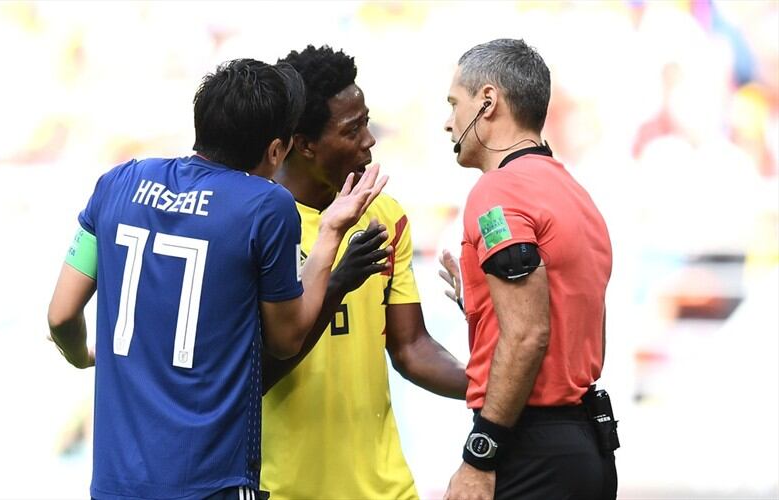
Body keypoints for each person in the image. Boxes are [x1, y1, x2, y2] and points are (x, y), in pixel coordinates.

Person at [46, 58, 387, 500]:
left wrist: (80, 356)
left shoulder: (118, 182)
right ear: (276, 150)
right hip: (212, 482)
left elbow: (60, 315)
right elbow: (286, 339)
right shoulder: (267, 206)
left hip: (116, 485)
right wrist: (330, 234)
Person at [260, 45, 468, 500]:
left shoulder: (385, 216)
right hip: (284, 490)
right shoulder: (255, 224)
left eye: (366, 122)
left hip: (386, 489)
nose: (369, 140)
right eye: (352, 129)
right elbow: (256, 372)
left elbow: (411, 347)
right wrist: (336, 282)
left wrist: (494, 391)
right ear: (304, 144)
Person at [440, 39, 617, 500]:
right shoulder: (574, 192)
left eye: (454, 104)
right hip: (585, 447)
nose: (448, 122)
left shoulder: (498, 191)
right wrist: (479, 304)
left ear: (488, 101)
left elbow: (527, 334)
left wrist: (480, 456)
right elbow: (556, 315)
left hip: (529, 449)